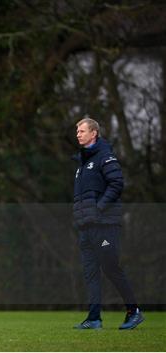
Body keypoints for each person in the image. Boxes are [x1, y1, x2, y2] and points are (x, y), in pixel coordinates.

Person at [72, 117, 144, 330]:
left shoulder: (105, 157)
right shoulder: (81, 164)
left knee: (111, 269)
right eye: (77, 131)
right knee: (91, 272)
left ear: (94, 133)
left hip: (105, 225)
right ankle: (94, 319)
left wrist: (99, 208)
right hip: (86, 227)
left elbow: (117, 183)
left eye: (82, 130)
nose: (78, 134)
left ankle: (134, 311)